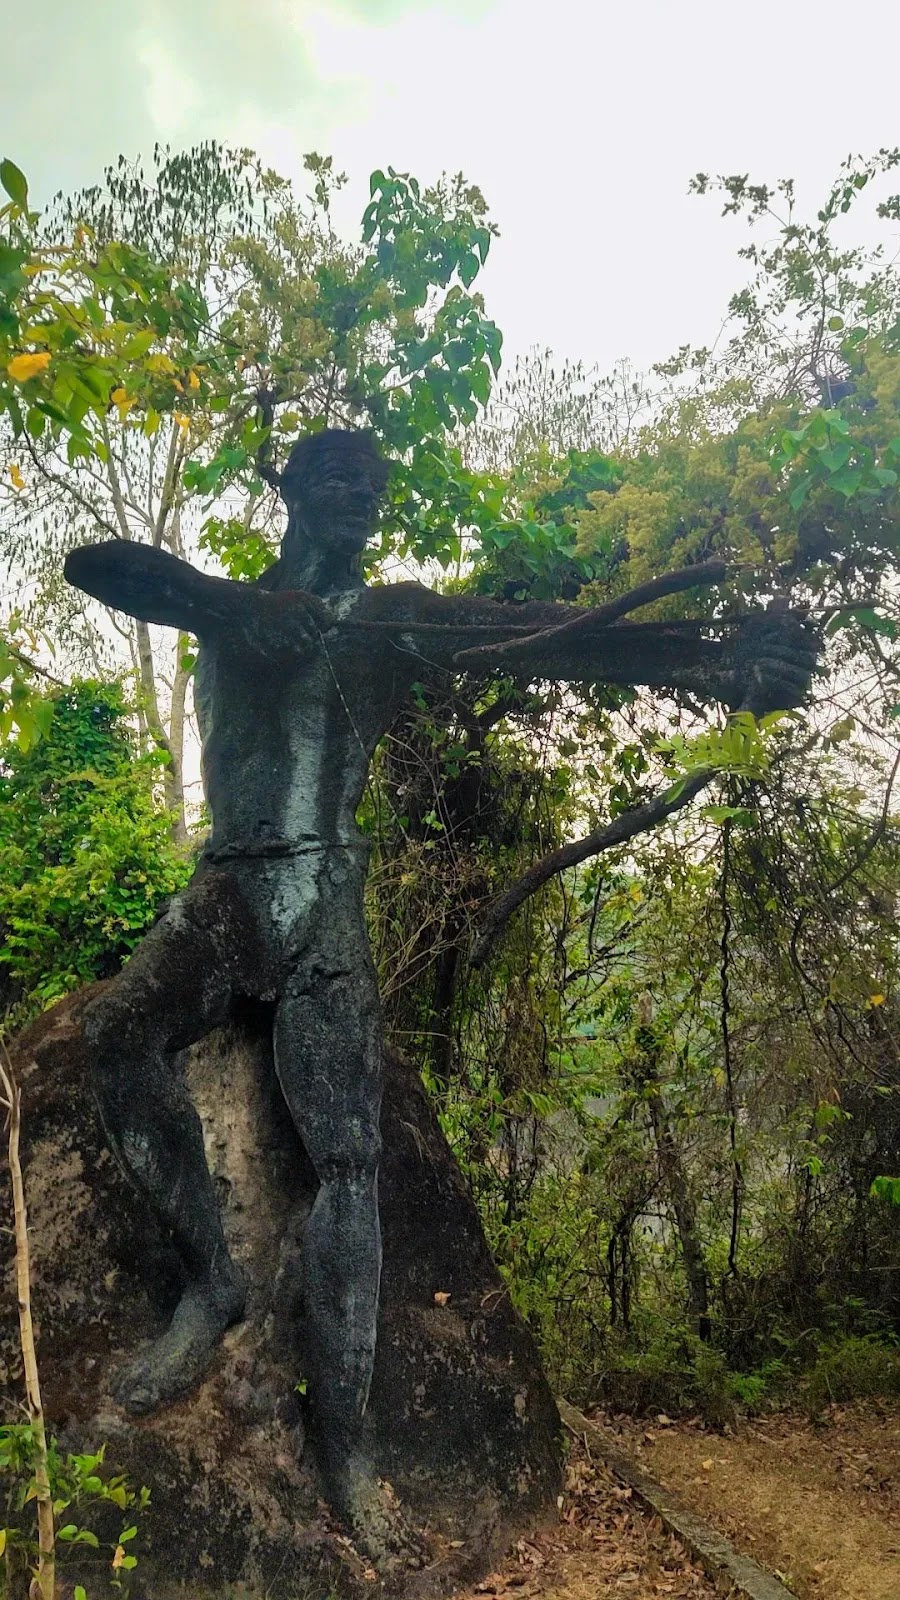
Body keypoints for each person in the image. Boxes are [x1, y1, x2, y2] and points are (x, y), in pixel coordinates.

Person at [64, 427, 815, 1550]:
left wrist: (714, 661)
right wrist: (238, 606)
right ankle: (210, 1282)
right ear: (292, 489)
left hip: (325, 896)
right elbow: (100, 565)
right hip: (228, 885)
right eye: (337, 478)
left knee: (349, 1162)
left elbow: (551, 641)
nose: (358, 498)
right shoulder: (230, 610)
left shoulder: (394, 617)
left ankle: (347, 1448)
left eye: (373, 485)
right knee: (120, 1034)